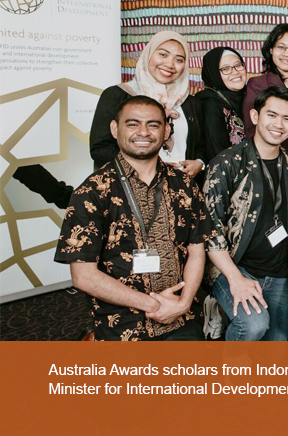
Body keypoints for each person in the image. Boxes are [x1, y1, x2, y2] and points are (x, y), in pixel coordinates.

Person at [55, 96, 213, 341]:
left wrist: (183, 303)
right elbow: (83, 275)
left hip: (182, 316)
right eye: (132, 124)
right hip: (122, 324)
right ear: (114, 129)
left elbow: (197, 249)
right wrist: (153, 306)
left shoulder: (184, 184)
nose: (143, 132)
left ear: (166, 131)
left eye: (153, 124)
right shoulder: (92, 192)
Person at [202, 86, 288, 341]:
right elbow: (209, 231)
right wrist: (235, 279)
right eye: (272, 115)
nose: (278, 124)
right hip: (235, 267)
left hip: (278, 273)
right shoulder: (226, 164)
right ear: (256, 117)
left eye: (286, 118)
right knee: (253, 324)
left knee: (275, 354)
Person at [89, 31, 206, 177]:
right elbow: (100, 149)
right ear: (148, 55)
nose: (170, 64)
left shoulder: (191, 102)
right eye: (163, 55)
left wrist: (200, 163)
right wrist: (155, 167)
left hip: (182, 189)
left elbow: (201, 144)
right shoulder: (118, 95)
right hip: (130, 188)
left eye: (179, 60)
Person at [243, 22, 288, 159]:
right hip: (270, 160)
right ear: (271, 50)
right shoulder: (258, 84)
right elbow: (251, 129)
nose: (286, 54)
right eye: (281, 47)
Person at [195, 47, 247, 163]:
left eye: (238, 65)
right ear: (213, 73)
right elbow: (217, 154)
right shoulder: (210, 103)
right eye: (226, 69)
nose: (235, 72)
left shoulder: (250, 96)